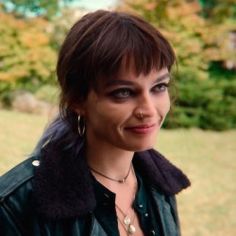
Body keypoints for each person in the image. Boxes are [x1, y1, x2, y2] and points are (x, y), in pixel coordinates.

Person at [0, 10, 190, 236]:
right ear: (77, 100)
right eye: (123, 92)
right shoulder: (16, 205)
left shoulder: (160, 185)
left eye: (159, 87)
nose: (148, 110)